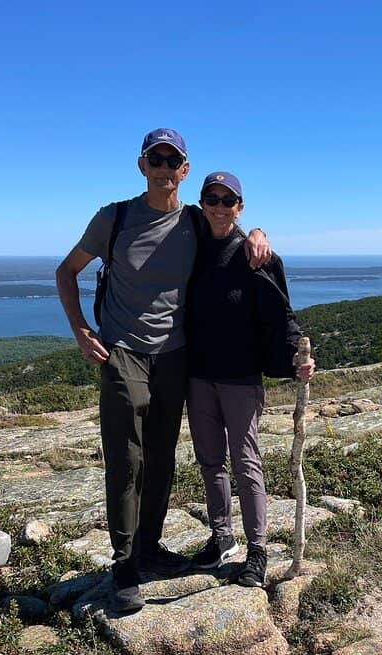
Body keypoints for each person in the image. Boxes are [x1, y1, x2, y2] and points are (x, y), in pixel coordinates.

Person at [55, 129, 271, 612]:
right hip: (124, 351)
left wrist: (260, 232)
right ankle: (125, 563)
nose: (164, 168)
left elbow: (229, 226)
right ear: (142, 165)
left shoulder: (193, 220)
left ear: (184, 170)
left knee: (162, 455)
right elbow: (65, 271)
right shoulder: (115, 217)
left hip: (175, 354)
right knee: (127, 458)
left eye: (173, 161)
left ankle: (149, 547)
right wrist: (80, 329)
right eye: (157, 159)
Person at [185, 171, 315, 588]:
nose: (219, 207)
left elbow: (281, 313)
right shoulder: (189, 244)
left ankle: (256, 551)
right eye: (212, 198)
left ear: (239, 207)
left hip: (240, 377)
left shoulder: (254, 255)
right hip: (198, 375)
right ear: (202, 202)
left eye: (229, 200)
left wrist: (299, 356)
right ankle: (222, 537)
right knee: (209, 460)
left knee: (246, 462)